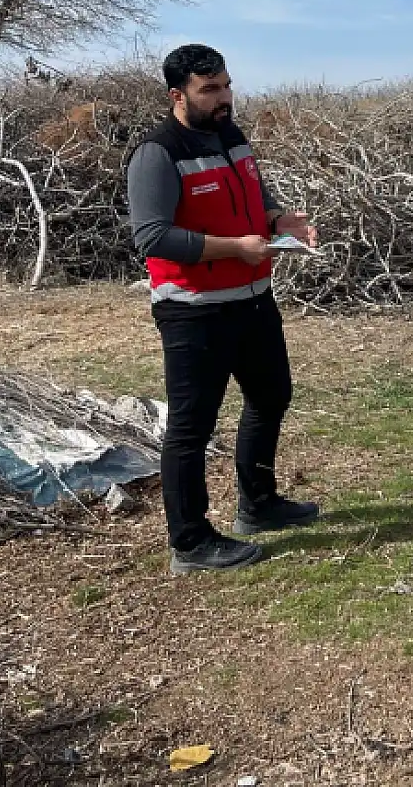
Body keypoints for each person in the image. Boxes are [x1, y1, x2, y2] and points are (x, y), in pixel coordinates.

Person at [126, 44, 320, 574]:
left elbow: (257, 202)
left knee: (271, 396)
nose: (224, 97)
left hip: (254, 301)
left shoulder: (232, 137)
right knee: (191, 427)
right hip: (194, 311)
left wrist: (281, 222)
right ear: (177, 94)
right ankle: (189, 542)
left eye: (227, 85)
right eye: (210, 89)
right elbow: (153, 236)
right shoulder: (157, 152)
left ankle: (258, 504)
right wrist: (235, 247)